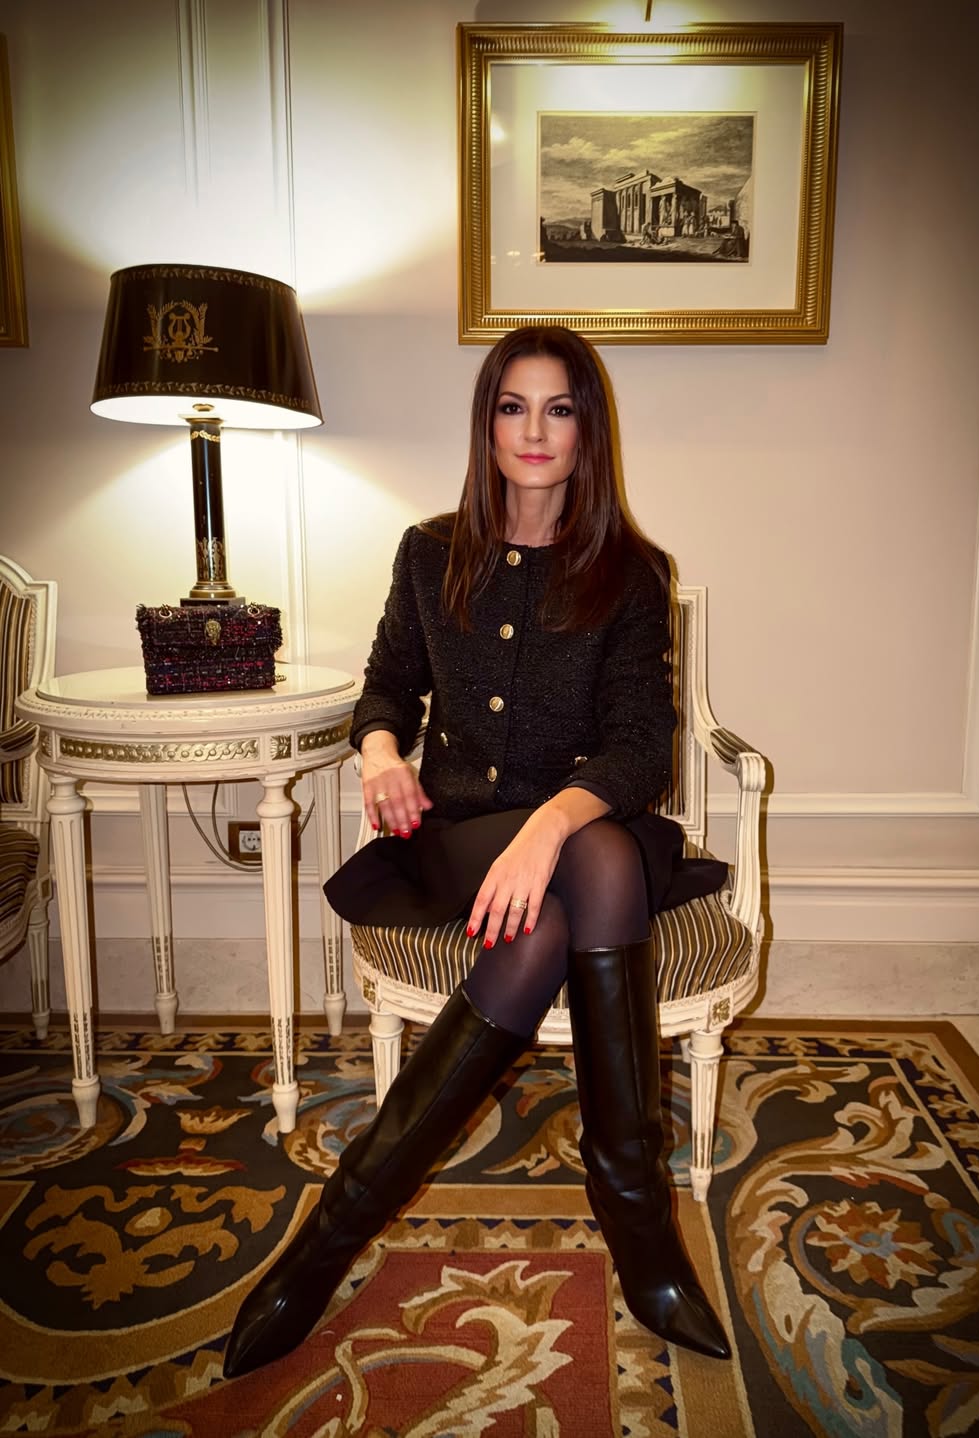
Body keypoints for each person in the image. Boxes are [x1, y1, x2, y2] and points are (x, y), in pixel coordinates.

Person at [223, 324, 731, 1377]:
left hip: (585, 829)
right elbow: (386, 689)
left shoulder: (633, 574)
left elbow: (644, 747)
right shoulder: (429, 551)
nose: (534, 430)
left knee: (573, 887)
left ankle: (334, 1241)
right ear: (487, 423)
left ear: (587, 430)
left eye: (558, 408)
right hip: (458, 837)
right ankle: (635, 1220)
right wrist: (378, 754)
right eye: (513, 405)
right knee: (576, 885)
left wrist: (548, 829)